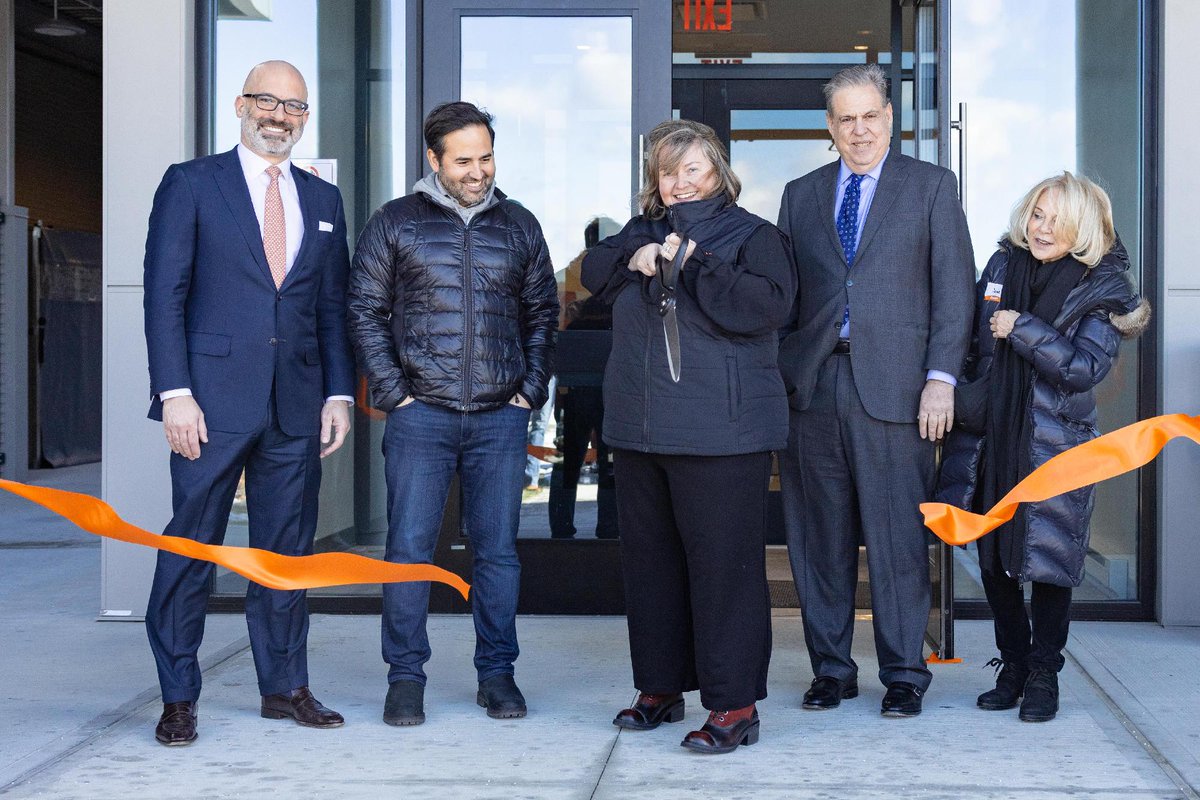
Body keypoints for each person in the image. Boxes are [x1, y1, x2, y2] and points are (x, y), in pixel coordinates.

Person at [142, 60, 355, 746]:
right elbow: (164, 295)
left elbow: (331, 309)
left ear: (303, 118)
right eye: (267, 101)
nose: (279, 115)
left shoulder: (323, 202)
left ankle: (284, 686)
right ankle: (178, 696)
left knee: (285, 554)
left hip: (296, 407)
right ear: (240, 105)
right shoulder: (191, 183)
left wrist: (339, 393)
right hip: (207, 404)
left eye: (293, 106)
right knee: (190, 548)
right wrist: (175, 393)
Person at [582, 119, 795, 754]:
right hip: (641, 430)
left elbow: (763, 309)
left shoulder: (755, 236)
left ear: (720, 174)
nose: (679, 182)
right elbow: (593, 271)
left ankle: (734, 705)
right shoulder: (642, 230)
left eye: (692, 170)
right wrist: (631, 254)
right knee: (651, 569)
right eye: (667, 172)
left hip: (723, 434)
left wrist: (693, 262)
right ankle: (660, 688)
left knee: (722, 573)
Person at [348, 101, 558, 726]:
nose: (478, 172)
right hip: (421, 418)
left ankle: (497, 674)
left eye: (486, 157)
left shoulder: (520, 225)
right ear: (434, 160)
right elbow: (363, 310)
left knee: (497, 554)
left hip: (499, 417)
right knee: (409, 550)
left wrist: (529, 390)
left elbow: (543, 313)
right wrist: (394, 394)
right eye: (463, 160)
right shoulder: (395, 223)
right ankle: (405, 677)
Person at [776, 63, 975, 718]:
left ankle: (903, 675)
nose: (858, 129)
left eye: (870, 116)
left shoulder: (931, 188)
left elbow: (954, 294)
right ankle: (831, 670)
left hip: (899, 389)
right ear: (829, 126)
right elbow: (787, 298)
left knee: (896, 540)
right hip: (814, 385)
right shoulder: (800, 194)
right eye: (845, 118)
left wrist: (941, 379)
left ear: (889, 118)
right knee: (818, 539)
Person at [936, 172, 1149, 722]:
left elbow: (1082, 369)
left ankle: (1043, 676)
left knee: (1049, 563)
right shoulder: (1002, 266)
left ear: (1081, 226)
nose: (1041, 228)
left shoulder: (1102, 288)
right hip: (992, 440)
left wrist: (1023, 328)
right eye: (1036, 214)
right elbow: (969, 342)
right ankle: (1011, 664)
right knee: (994, 559)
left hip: (1056, 449)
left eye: (1056, 218)